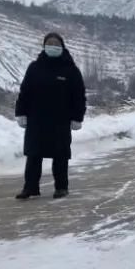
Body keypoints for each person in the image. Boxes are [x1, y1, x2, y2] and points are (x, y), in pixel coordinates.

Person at [14, 32, 87, 200]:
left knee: (60, 155)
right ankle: (30, 188)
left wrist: (78, 116)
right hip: (36, 119)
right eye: (49, 43)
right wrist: (21, 112)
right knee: (33, 155)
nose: (52, 46)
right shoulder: (34, 68)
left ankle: (61, 187)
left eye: (56, 43)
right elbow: (24, 92)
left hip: (60, 120)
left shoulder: (70, 70)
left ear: (62, 46)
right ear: (44, 46)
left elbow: (79, 95)